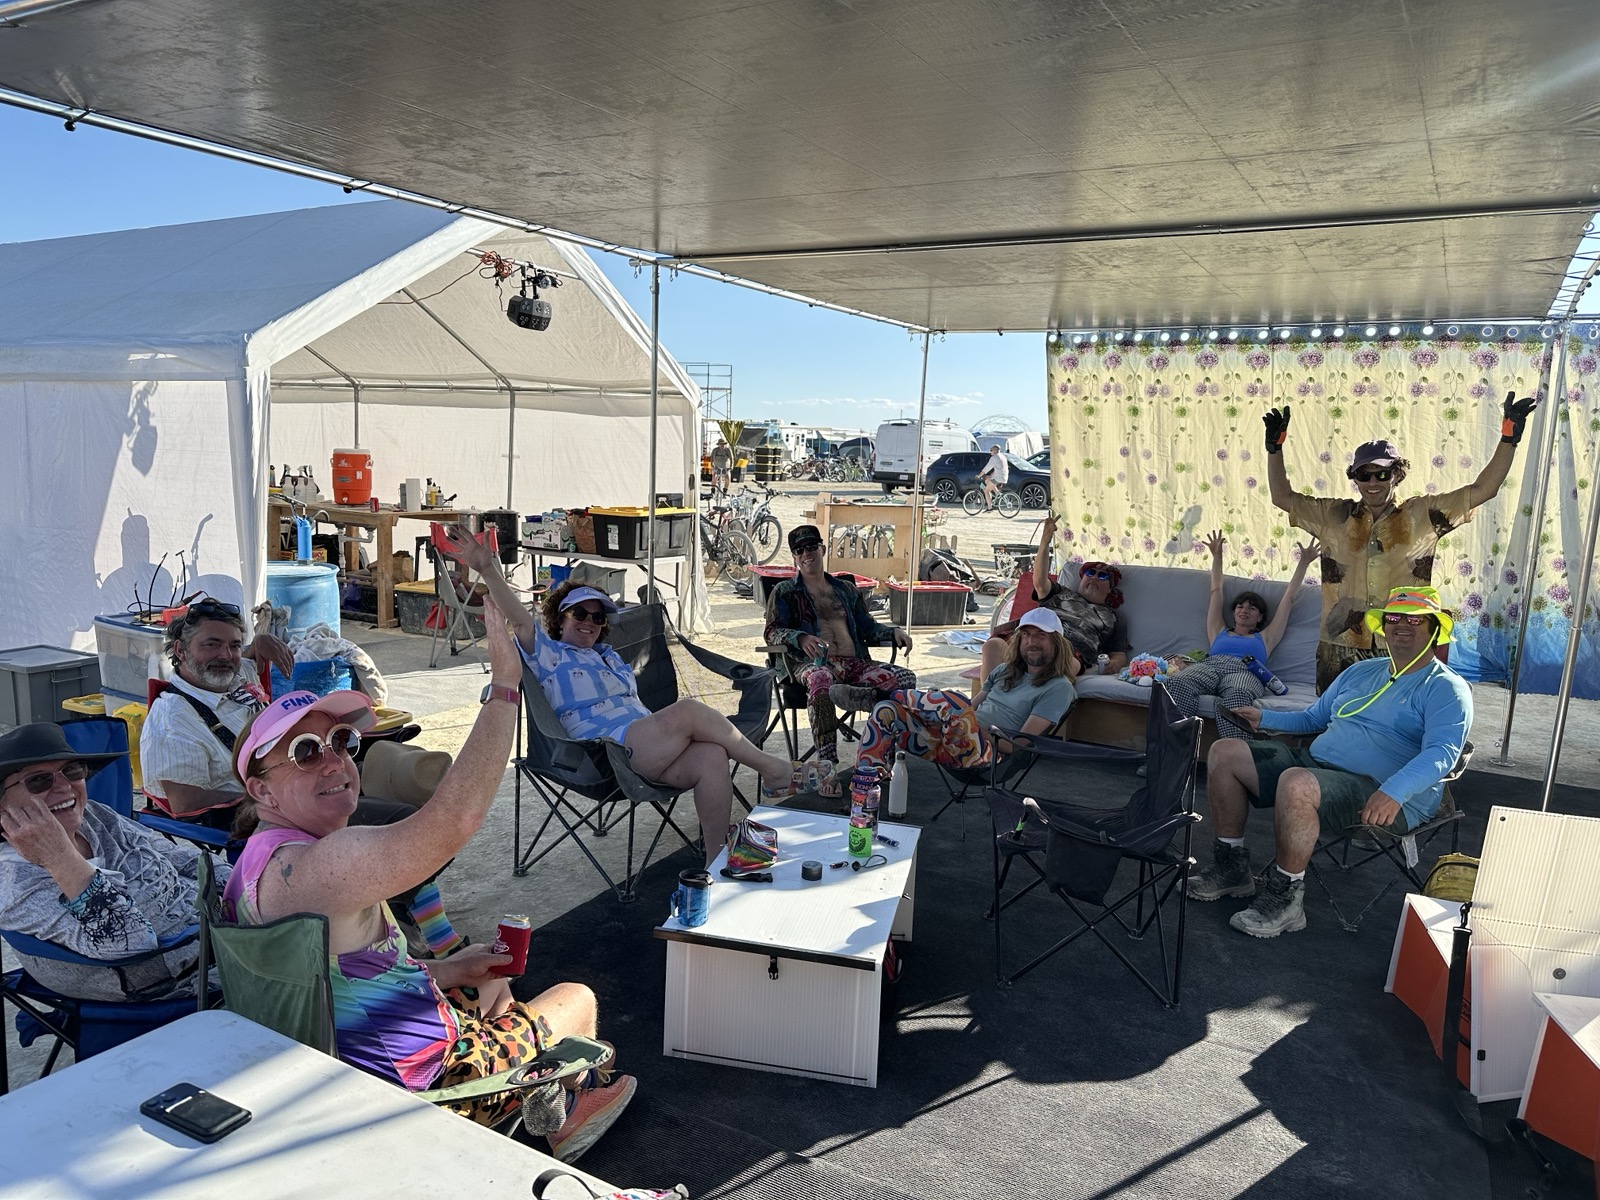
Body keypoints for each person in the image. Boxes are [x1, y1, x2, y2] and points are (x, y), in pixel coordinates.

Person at [224, 613, 635, 1160]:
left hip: (354, 1059)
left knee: (488, 981)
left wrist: (445, 971)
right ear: (262, 790)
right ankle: (559, 1120)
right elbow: (454, 820)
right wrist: (506, 688)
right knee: (576, 1001)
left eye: (342, 741)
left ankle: (537, 1092)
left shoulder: (258, 862)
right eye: (304, 752)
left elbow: (336, 981)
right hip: (424, 1088)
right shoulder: (322, 865)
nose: (335, 760)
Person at [438, 527, 823, 857]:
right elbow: (518, 616)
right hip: (605, 755)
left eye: (598, 617)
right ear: (560, 618)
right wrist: (488, 568)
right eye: (580, 614)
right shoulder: (546, 651)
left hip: (643, 746)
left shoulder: (610, 659)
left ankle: (714, 864)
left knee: (712, 756)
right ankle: (775, 771)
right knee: (688, 711)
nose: (590, 622)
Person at [140, 595, 466, 956]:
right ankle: (414, 929)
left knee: (410, 776)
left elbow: (245, 659)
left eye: (232, 645)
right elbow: (184, 801)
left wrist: (255, 646)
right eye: (211, 644)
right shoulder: (171, 721)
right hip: (261, 812)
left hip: (299, 776)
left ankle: (408, 916)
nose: (226, 655)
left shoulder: (232, 675)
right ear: (180, 652)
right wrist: (268, 794)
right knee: (407, 824)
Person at [1187, 587, 1471, 938]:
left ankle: (1286, 896)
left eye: (1415, 619)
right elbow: (1313, 718)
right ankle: (1232, 868)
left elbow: (1442, 753)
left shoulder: (1446, 688)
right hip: (1317, 765)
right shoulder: (1362, 672)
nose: (1402, 625)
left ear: (1434, 629)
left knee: (1296, 781)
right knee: (1225, 751)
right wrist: (1265, 719)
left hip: (1380, 791)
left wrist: (1394, 791)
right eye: (1394, 618)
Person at [1264, 392, 1537, 691]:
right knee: (1335, 723)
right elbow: (1282, 497)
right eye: (1363, 475)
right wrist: (1274, 450)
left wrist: (1508, 439)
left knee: (1399, 726)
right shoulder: (1332, 515)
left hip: (1402, 641)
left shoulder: (1423, 514)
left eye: (1381, 474)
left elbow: (1484, 489)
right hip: (1339, 643)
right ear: (1354, 478)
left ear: (1397, 475)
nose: (1372, 483)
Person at [0, 722, 226, 1003]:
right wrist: (59, 857)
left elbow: (183, 859)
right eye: (39, 780)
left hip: (225, 935)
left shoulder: (95, 816)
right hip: (184, 982)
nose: (65, 788)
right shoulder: (14, 885)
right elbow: (133, 945)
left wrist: (242, 890)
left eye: (72, 771)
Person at [764, 524, 915, 794]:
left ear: (822, 549)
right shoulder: (785, 591)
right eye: (799, 550)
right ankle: (828, 766)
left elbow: (867, 627)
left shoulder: (845, 589)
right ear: (794, 557)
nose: (806, 553)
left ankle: (880, 761)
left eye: (811, 547)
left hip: (854, 663)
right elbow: (772, 631)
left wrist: (894, 632)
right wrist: (800, 637)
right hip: (813, 665)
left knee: (903, 677)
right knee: (822, 678)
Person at [852, 608, 1076, 779]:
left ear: (1057, 643)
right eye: (1026, 635)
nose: (1031, 642)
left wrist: (976, 727)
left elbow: (1016, 745)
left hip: (989, 756)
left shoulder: (1059, 688)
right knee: (886, 712)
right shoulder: (1005, 671)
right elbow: (970, 707)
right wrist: (955, 719)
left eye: (1040, 635)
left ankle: (881, 694)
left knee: (956, 702)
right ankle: (865, 788)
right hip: (950, 742)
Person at [1164, 532, 1320, 740]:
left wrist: (1304, 562)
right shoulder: (1217, 630)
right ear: (1234, 611)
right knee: (1176, 684)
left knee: (1236, 695)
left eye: (1252, 608)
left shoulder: (1266, 637)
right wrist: (1217, 555)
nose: (1244, 610)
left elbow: (1289, 597)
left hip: (1245, 673)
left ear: (1260, 617)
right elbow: (1216, 590)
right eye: (1240, 606)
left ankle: (1235, 760)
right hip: (1210, 667)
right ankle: (1171, 756)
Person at [982, 514, 1130, 680]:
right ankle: (990, 702)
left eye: (1103, 577)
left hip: (1070, 649)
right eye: (1090, 572)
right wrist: (1045, 540)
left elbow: (1119, 653)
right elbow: (1039, 581)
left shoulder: (1114, 618)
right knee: (993, 646)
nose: (1095, 577)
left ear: (1110, 589)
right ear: (1081, 579)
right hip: (1031, 636)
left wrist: (1115, 663)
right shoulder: (1061, 592)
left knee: (1068, 665)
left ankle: (1030, 701)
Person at [977, 443, 1009, 508]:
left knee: (986, 490)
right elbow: (998, 469)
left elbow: (986, 468)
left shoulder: (994, 457)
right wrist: (990, 476)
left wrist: (979, 475)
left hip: (998, 478)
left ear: (995, 450)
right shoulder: (1003, 457)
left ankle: (989, 507)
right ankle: (997, 493)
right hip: (1004, 477)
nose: (990, 451)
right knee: (987, 480)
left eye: (991, 450)